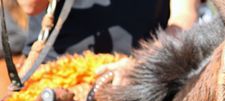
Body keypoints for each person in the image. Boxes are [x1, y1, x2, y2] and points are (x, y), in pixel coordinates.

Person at [17, 0, 201, 62]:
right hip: (56, 70)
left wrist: (141, 65)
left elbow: (184, 18)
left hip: (139, 72)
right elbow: (30, 5)